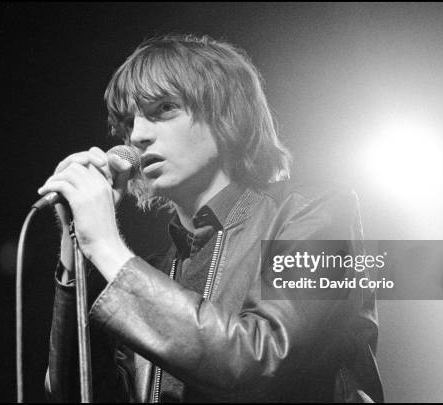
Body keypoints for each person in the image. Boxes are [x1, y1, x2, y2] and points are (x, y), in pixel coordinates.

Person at [39, 34, 384, 402]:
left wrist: (108, 247)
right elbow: (77, 394)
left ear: (226, 114)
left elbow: (261, 359)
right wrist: (77, 255)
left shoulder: (315, 213)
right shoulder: (152, 274)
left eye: (164, 108)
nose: (137, 135)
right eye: (129, 121)